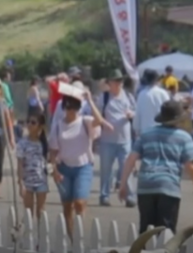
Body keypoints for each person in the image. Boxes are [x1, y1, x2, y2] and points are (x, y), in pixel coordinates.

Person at [118, 100, 193, 233]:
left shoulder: (146, 134)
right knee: (166, 230)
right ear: (179, 119)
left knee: (146, 229)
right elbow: (191, 165)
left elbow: (131, 159)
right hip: (168, 186)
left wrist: (123, 185)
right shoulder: (184, 137)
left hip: (146, 185)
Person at [48, 88, 105, 242]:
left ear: (79, 108)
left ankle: (80, 235)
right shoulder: (58, 125)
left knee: (79, 203)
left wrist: (90, 100)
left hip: (83, 167)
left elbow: (99, 121)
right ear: (64, 108)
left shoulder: (85, 121)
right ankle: (72, 237)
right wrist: (54, 170)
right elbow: (53, 150)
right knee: (67, 206)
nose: (70, 110)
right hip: (64, 168)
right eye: (68, 107)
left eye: (74, 107)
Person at [97, 70, 135, 207]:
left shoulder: (128, 96)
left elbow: (135, 111)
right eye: (115, 81)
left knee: (127, 168)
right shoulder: (104, 97)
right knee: (106, 169)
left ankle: (130, 196)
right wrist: (104, 123)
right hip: (107, 140)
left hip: (125, 139)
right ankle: (104, 195)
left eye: (120, 81)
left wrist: (131, 114)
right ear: (109, 83)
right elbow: (96, 114)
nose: (118, 84)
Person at [17, 110, 51, 222]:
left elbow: (50, 160)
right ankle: (27, 236)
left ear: (40, 125)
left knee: (41, 212)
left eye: (33, 122)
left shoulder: (45, 143)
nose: (29, 125)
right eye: (28, 122)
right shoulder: (22, 143)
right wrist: (20, 183)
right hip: (27, 182)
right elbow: (20, 164)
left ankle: (41, 236)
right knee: (28, 212)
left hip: (41, 181)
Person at [135, 69, 171, 135]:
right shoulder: (163, 93)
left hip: (145, 130)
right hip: (162, 130)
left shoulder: (141, 94)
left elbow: (138, 113)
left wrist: (136, 129)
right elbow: (169, 111)